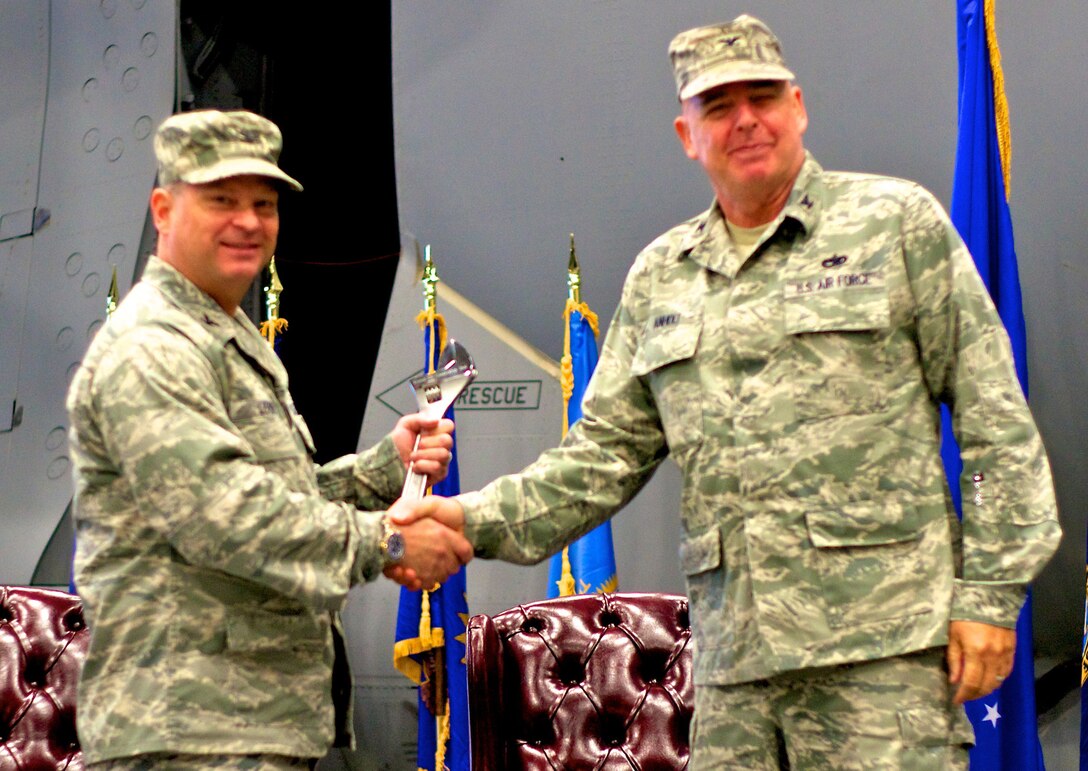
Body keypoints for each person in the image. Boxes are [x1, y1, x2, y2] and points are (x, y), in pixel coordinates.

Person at [393, 14, 1061, 769]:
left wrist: (991, 595)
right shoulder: (661, 276)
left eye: (763, 96)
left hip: (881, 666)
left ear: (799, 105)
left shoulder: (898, 226)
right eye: (718, 105)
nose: (745, 119)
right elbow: (598, 461)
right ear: (687, 134)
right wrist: (462, 518)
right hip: (734, 675)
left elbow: (996, 425)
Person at [66, 109, 473, 769]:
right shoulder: (152, 348)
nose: (248, 221)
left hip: (243, 723)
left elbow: (272, 494)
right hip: (189, 732)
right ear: (163, 209)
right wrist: (389, 541)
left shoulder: (223, 339)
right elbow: (221, 514)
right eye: (221, 199)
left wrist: (379, 468)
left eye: (264, 202)